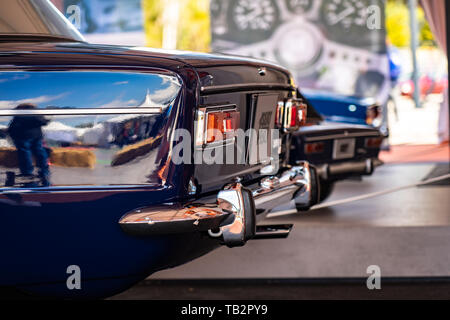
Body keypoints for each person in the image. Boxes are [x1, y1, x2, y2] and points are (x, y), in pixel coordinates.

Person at [8, 103, 51, 187]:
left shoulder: (20, 114)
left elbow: (13, 127)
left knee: (25, 155)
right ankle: (44, 174)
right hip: (37, 136)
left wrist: (12, 135)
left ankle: (28, 176)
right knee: (40, 153)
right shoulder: (35, 113)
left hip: (22, 137)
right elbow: (44, 122)